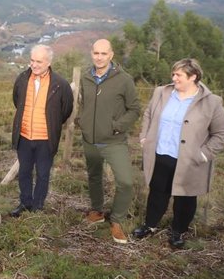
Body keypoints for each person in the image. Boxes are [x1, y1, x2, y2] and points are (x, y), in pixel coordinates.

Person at [133, 59, 224, 248]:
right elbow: (148, 114)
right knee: (157, 192)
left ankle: (178, 231)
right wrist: (145, 138)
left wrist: (203, 155)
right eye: (173, 74)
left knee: (185, 197)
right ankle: (150, 225)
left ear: (193, 77)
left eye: (179, 75)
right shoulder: (162, 92)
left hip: (188, 161)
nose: (173, 78)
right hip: (161, 154)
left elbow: (222, 133)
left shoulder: (212, 102)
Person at [77, 39, 140, 244]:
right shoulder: (86, 77)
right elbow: (84, 103)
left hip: (113, 141)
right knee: (94, 176)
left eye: (104, 53)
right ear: (92, 54)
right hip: (90, 140)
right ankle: (97, 211)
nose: (99, 57)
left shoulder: (124, 80)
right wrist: (83, 122)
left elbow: (134, 109)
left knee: (125, 182)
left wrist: (117, 126)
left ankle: (117, 220)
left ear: (111, 55)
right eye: (96, 53)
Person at [9, 45, 73, 216]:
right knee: (24, 172)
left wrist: (51, 124)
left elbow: (65, 110)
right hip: (24, 135)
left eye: (39, 61)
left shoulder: (60, 84)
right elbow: (17, 101)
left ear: (49, 62)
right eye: (32, 60)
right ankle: (25, 203)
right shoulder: (22, 79)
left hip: (46, 139)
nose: (34, 65)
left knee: (43, 174)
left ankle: (38, 206)